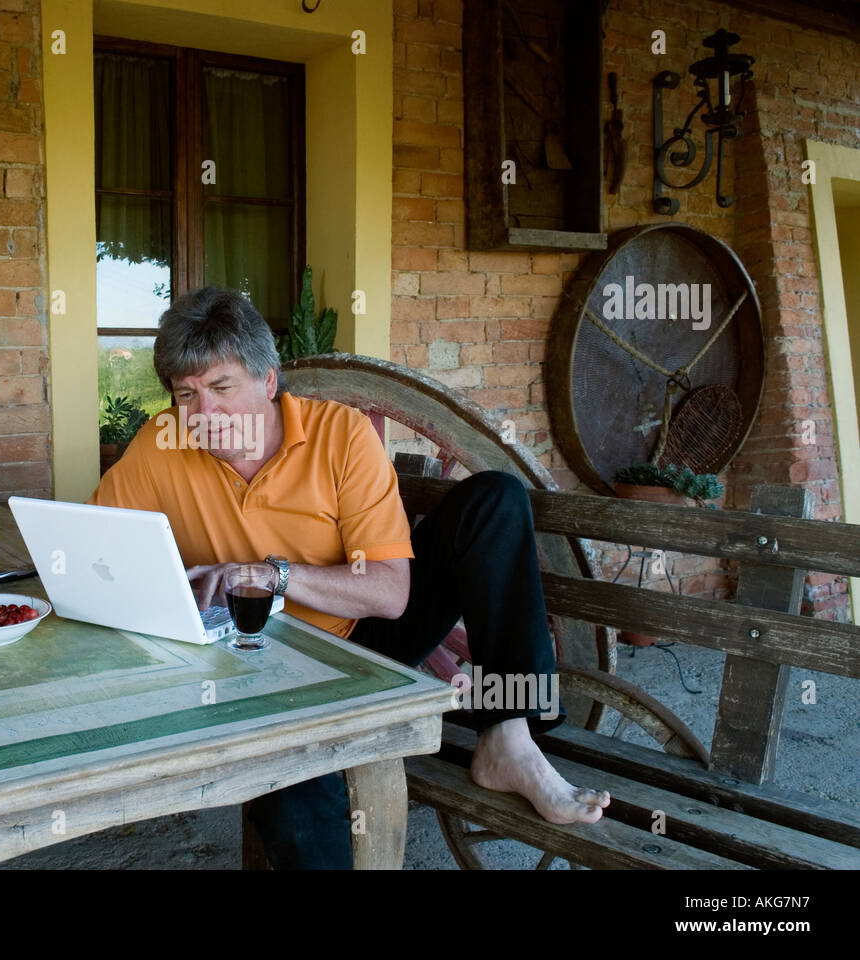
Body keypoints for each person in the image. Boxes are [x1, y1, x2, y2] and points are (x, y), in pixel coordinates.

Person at [87, 286, 610, 869]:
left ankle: (508, 738)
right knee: (293, 803)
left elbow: (389, 593)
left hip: (365, 635)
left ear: (268, 380)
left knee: (495, 499)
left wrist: (274, 574)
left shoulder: (340, 436)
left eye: (220, 387)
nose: (204, 415)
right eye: (186, 395)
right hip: (257, 663)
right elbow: (99, 552)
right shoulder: (161, 445)